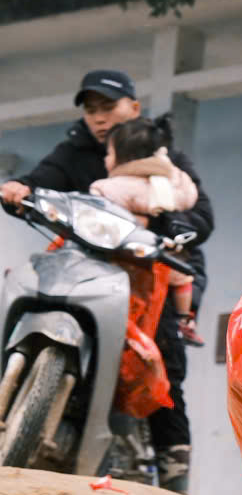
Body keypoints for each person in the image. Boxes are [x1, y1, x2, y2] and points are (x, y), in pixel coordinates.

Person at [1, 69, 214, 493]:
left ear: (133, 107)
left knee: (164, 358)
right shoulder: (74, 150)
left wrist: (174, 226)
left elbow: (201, 214)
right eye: (91, 109)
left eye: (108, 107)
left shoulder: (163, 156)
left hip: (153, 271)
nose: (98, 117)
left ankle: (174, 473)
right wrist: (18, 190)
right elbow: (40, 182)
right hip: (85, 262)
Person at [90, 115, 206, 347]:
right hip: (167, 260)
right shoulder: (172, 182)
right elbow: (189, 196)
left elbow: (100, 212)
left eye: (109, 153)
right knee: (183, 278)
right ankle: (185, 320)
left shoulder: (110, 187)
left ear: (123, 157)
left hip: (123, 262)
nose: (105, 159)